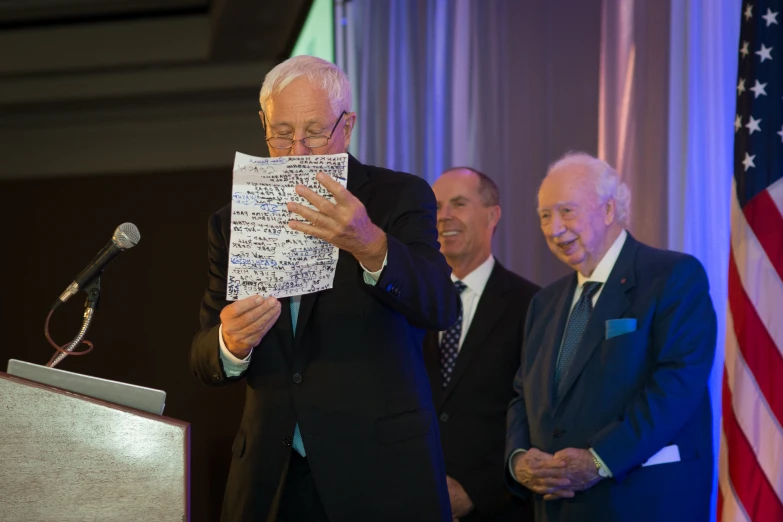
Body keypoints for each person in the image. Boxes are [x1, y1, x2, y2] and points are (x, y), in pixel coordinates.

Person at [190, 55, 459, 522]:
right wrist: (229, 343)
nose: (297, 151)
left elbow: (439, 305)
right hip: (270, 479)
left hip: (379, 474)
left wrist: (371, 245)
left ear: (347, 126)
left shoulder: (397, 196)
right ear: (262, 124)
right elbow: (202, 355)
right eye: (281, 132)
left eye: (314, 132)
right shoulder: (233, 220)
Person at [505, 152, 716, 522]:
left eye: (566, 211)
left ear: (607, 210)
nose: (554, 229)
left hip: (641, 503)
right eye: (544, 216)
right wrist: (519, 457)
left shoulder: (673, 277)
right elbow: (523, 395)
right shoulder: (544, 302)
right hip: (555, 508)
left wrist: (600, 460)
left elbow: (677, 384)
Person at [425, 168, 539, 521]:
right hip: (413, 500)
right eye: (437, 206)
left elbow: (536, 415)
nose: (444, 216)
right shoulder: (411, 302)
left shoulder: (533, 305)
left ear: (493, 215)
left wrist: (477, 490)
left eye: (459, 204)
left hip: (496, 507)